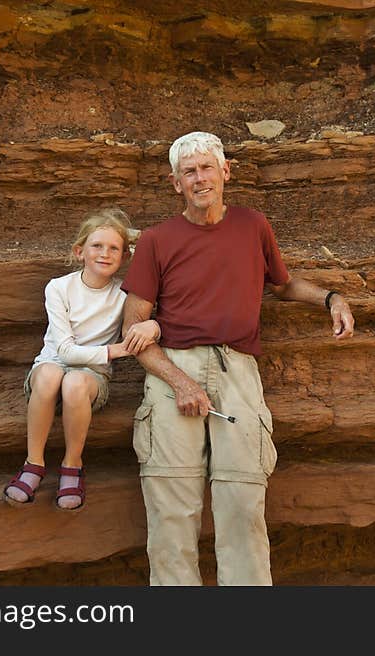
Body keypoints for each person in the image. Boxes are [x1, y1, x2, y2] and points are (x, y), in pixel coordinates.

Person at [120, 131, 355, 585]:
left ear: (225, 172)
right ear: (175, 183)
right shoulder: (156, 239)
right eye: (189, 172)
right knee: (171, 507)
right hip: (174, 371)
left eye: (208, 167)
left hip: (238, 372)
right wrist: (181, 382)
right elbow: (135, 330)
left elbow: (282, 285)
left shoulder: (252, 225)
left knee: (243, 503)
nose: (200, 178)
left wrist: (331, 298)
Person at [3, 207, 161, 510]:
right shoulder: (59, 288)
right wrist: (114, 351)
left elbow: (154, 246)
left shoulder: (124, 295)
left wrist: (153, 325)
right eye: (96, 246)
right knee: (52, 375)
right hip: (50, 367)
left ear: (126, 256)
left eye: (115, 248)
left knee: (74, 382)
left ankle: (72, 464)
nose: (105, 253)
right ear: (80, 251)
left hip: (91, 378)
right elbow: (64, 351)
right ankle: (33, 463)